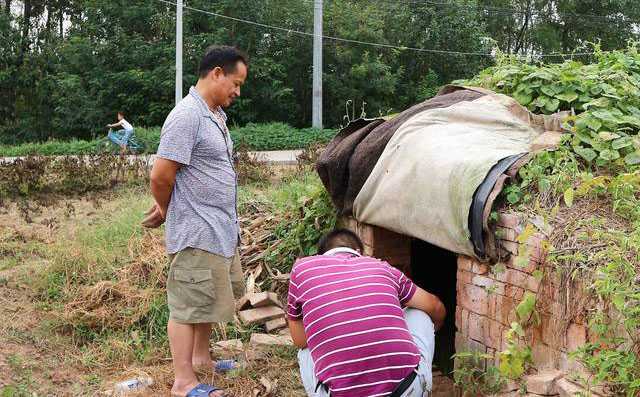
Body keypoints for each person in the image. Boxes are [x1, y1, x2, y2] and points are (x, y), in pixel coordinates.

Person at [142, 45, 248, 397]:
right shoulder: (186, 115)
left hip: (219, 230)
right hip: (196, 230)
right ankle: (183, 381)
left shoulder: (214, 115)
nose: (237, 91)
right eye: (235, 82)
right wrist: (167, 208)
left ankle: (202, 360)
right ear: (216, 73)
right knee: (188, 304)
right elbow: (161, 175)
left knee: (207, 297)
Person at [287, 229, 446, 397]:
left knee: (305, 351)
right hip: (404, 391)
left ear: (321, 256)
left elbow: (300, 340)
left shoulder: (301, 269)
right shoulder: (382, 267)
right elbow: (435, 306)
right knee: (419, 313)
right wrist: (435, 330)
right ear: (359, 253)